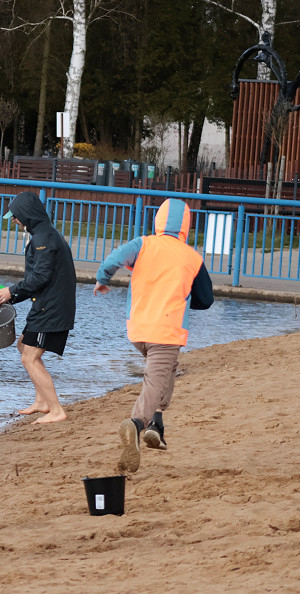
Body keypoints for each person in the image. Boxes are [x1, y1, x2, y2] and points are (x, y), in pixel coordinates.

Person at [94, 198, 214, 474]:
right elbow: (206, 300)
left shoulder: (143, 244)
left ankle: (157, 426)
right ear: (186, 225)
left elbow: (113, 259)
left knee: (166, 372)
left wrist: (103, 278)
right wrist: (183, 299)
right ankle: (137, 424)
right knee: (154, 380)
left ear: (158, 221)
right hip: (167, 330)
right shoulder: (191, 257)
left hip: (138, 328)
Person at [0, 191, 76, 424]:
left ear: (27, 215)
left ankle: (57, 409)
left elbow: (41, 277)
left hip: (51, 308)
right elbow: (38, 280)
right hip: (45, 305)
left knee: (29, 357)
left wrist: (11, 290)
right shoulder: (42, 234)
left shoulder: (44, 239)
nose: (14, 220)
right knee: (23, 346)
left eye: (16, 216)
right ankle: (42, 401)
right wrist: (11, 297)